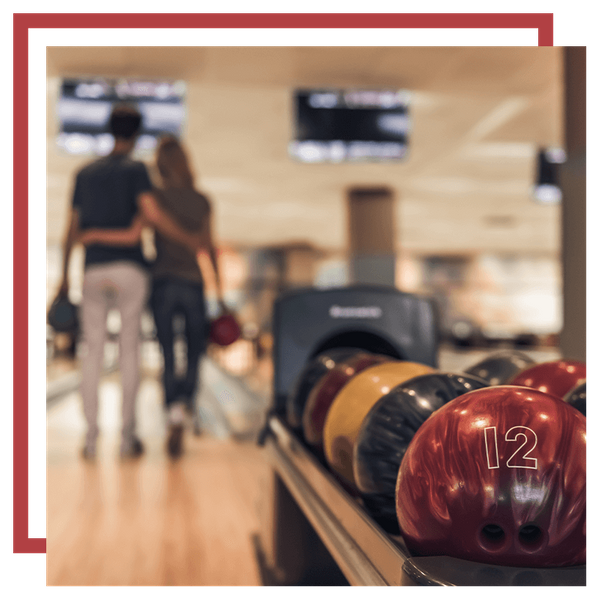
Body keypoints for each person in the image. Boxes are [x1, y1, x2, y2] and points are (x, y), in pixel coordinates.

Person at [58, 104, 202, 460]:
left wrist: (63, 277)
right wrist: (186, 237)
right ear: (137, 134)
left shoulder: (85, 173)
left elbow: (72, 230)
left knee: (91, 352)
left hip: (93, 271)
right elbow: (152, 215)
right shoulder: (137, 170)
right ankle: (127, 438)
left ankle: (90, 439)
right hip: (131, 271)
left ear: (109, 130)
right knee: (128, 351)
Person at [148, 135, 225, 458]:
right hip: (193, 283)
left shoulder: (156, 196)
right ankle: (187, 405)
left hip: (162, 282)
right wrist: (219, 292)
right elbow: (209, 245)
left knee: (168, 353)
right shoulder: (202, 200)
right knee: (194, 352)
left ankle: (173, 416)